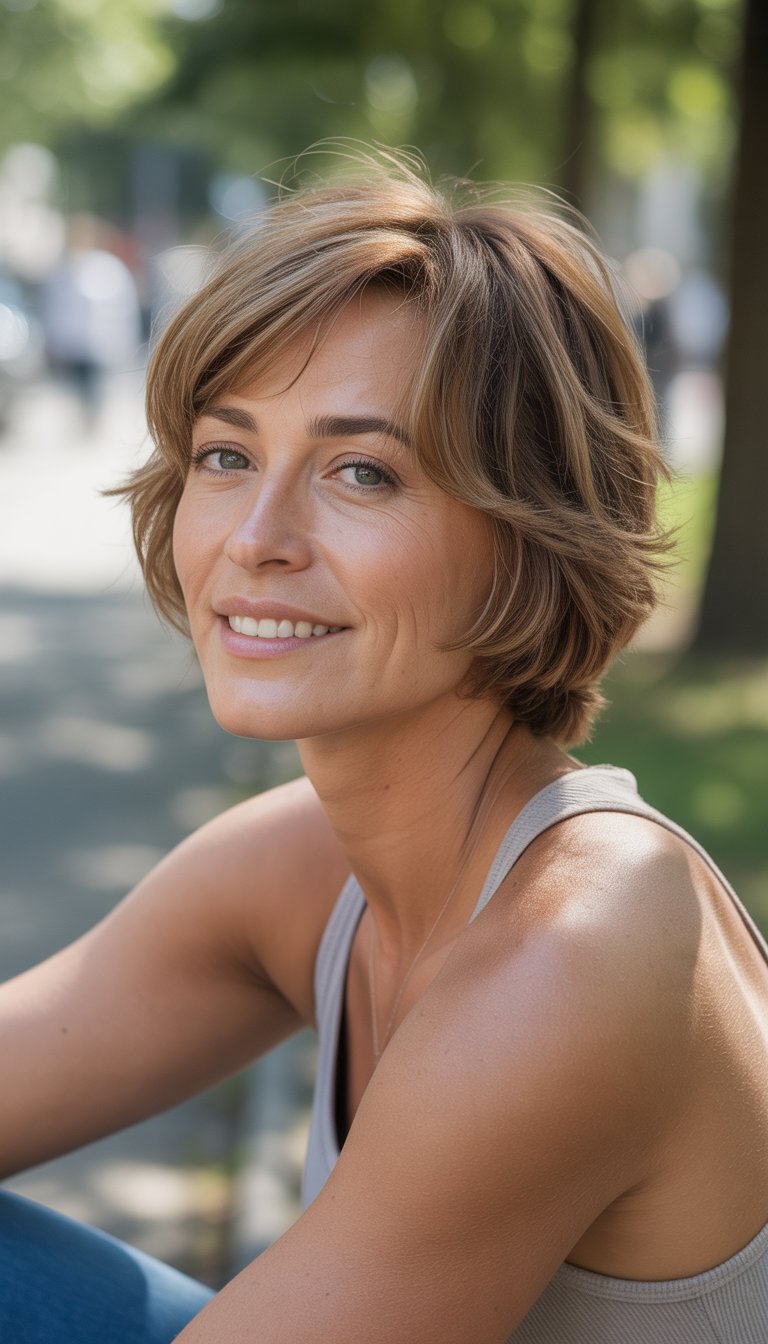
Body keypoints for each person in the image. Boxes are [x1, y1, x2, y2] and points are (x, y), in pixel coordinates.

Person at [1, 152, 766, 1343]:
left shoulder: (584, 940)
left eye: (363, 472)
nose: (257, 537)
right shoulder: (303, 869)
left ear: (529, 535)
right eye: (226, 455)